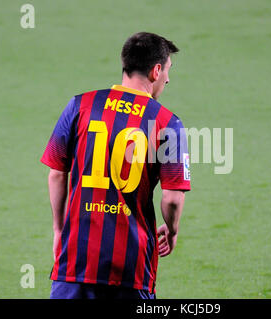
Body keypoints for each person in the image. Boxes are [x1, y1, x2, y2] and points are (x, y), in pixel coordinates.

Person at [40, 32, 190, 299]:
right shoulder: (167, 122)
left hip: (76, 258)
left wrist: (58, 230)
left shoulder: (80, 105)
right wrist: (173, 229)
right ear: (156, 71)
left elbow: (56, 174)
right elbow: (172, 199)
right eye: (167, 71)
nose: (168, 79)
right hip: (131, 268)